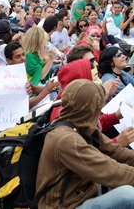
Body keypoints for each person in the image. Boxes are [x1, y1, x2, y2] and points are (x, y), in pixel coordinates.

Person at [36, 79, 134, 209]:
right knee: (128, 195)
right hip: (64, 205)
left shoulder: (81, 125)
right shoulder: (65, 139)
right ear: (91, 108)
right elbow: (108, 170)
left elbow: (116, 151)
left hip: (83, 194)